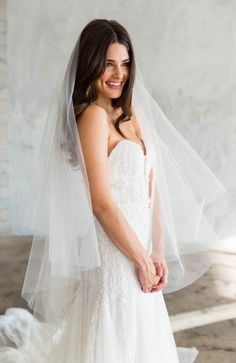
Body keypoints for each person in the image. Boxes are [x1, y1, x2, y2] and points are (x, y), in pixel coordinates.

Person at [0, 18, 225, 363]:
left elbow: (153, 187)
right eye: (108, 64)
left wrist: (158, 252)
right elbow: (101, 204)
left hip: (141, 251)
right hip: (113, 256)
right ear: (91, 65)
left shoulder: (131, 114)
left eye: (125, 63)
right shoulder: (92, 117)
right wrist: (139, 258)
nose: (119, 74)